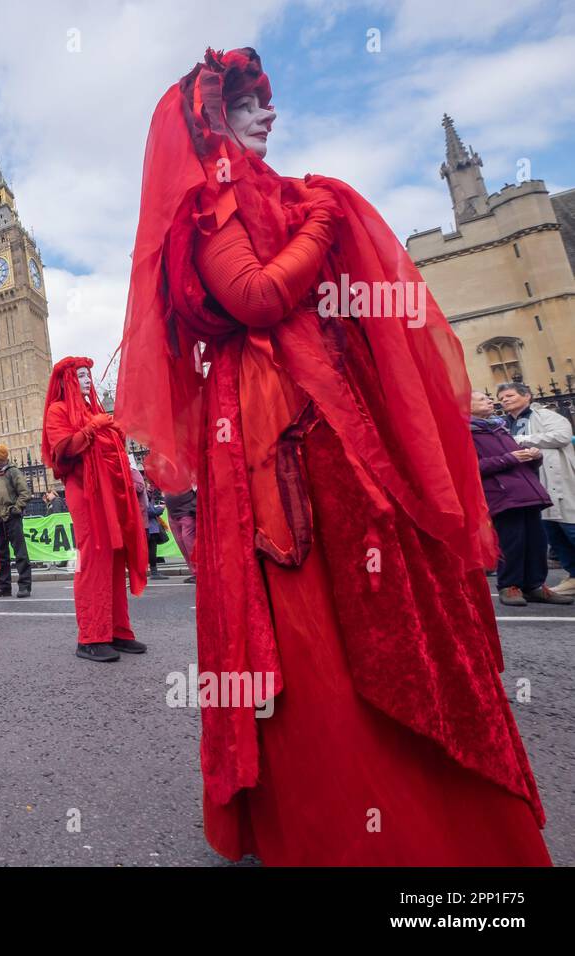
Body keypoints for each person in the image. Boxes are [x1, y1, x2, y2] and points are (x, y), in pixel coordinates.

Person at [115, 48, 549, 864]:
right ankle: (348, 815)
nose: (268, 114)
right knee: (316, 606)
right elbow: (254, 297)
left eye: (267, 102)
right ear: (212, 119)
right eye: (248, 103)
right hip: (280, 420)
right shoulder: (212, 207)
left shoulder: (272, 192)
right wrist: (324, 219)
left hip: (324, 406)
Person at [42, 358, 148, 662]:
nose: (88, 380)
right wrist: (93, 427)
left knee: (115, 556)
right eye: (81, 376)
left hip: (108, 492)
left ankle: (117, 630)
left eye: (89, 374)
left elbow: (113, 441)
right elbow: (62, 448)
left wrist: (110, 428)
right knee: (94, 556)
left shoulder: (94, 409)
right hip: (84, 492)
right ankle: (91, 636)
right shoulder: (58, 411)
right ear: (68, 381)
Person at [470, 391, 569, 607]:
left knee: (536, 542)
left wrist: (534, 456)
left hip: (526, 491)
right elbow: (470, 469)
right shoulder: (465, 433)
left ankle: (534, 585)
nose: (491, 401)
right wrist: (509, 458)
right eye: (482, 399)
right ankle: (509, 586)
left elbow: (518, 461)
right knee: (511, 542)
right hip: (500, 494)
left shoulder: (499, 428)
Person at [498, 383, 575, 597]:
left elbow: (562, 436)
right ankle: (573, 576)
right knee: (553, 532)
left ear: (527, 396)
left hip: (555, 479)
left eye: (510, 395)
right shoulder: (504, 424)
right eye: (501, 397)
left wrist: (522, 440)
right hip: (530, 484)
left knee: (570, 527)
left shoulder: (546, 416)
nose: (504, 400)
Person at [0, 444, 32, 598]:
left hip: (11, 517)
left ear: (0, 457)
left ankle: (25, 585)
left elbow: (25, 493)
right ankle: (3, 586)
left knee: (20, 552)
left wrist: (16, 509)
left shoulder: (12, 472)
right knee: (1, 555)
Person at [167, 486, 198, 583]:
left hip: (187, 512)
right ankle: (194, 572)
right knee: (182, 545)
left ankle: (199, 572)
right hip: (172, 513)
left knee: (189, 544)